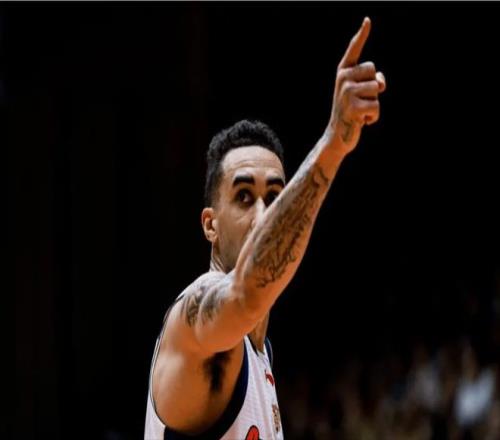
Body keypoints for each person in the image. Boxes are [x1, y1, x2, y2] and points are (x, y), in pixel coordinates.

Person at [144, 16, 386, 440]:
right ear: (210, 225)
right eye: (243, 197)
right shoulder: (195, 318)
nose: (262, 215)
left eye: (275, 198)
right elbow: (245, 293)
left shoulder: (259, 353)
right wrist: (334, 143)